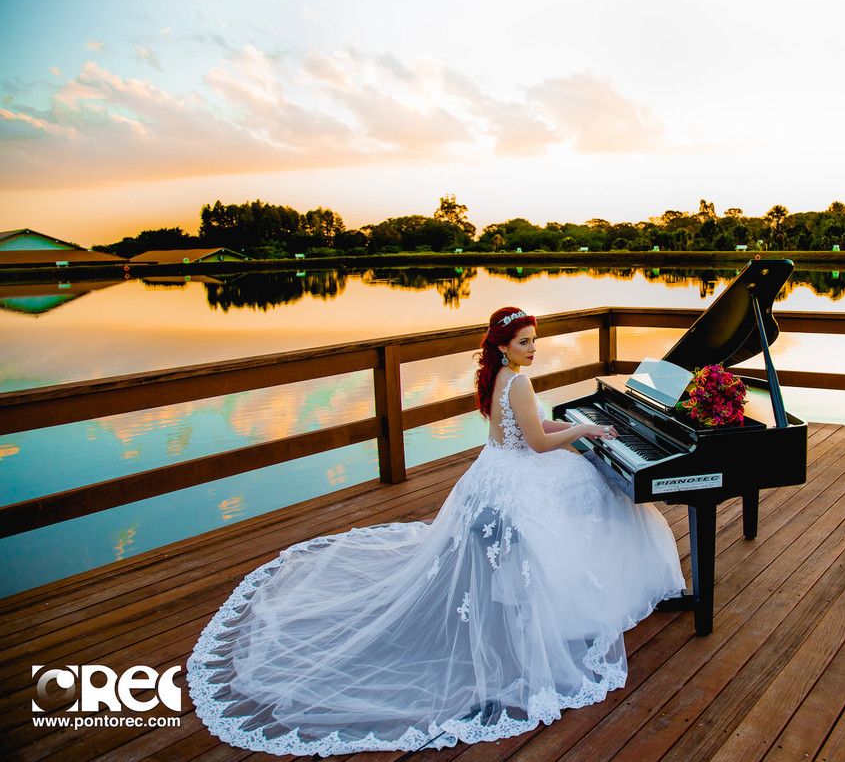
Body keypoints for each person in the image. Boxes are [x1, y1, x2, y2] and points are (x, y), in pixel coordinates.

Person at [188, 306, 685, 755]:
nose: (533, 349)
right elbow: (536, 444)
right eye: (524, 343)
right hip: (521, 472)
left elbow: (522, 431)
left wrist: (575, 426)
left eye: (535, 340)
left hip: (494, 472)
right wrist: (587, 430)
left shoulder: (499, 376)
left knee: (593, 481)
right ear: (503, 346)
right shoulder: (519, 381)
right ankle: (595, 600)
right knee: (605, 492)